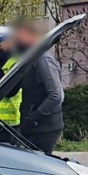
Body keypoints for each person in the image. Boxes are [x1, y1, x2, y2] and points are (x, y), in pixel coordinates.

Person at [15, 19, 64, 154]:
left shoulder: (43, 60)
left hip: (44, 127)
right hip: (34, 126)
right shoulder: (30, 59)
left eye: (20, 37)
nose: (17, 41)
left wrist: (35, 116)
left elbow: (55, 95)